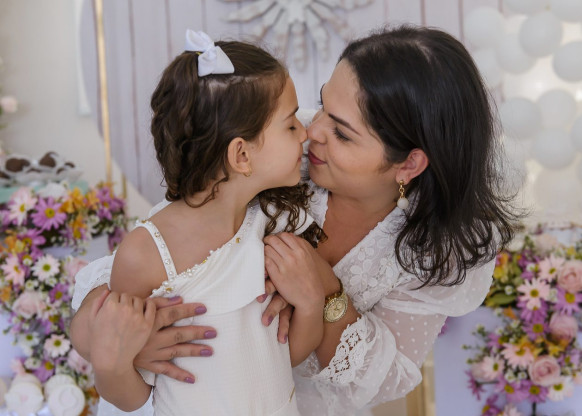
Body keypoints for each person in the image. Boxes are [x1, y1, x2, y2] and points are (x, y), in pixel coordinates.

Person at [71, 25, 520, 415]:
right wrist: (128, 348)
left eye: (342, 132)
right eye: (321, 104)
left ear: (409, 164)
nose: (312, 131)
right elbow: (143, 270)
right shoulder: (273, 153)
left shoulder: (440, 247)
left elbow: (383, 378)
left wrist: (323, 293)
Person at [79, 29, 329, 415]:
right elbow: (132, 397)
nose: (306, 133)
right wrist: (113, 364)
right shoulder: (146, 254)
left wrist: (311, 305)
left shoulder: (274, 225)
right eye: (291, 124)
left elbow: (285, 357)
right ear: (241, 156)